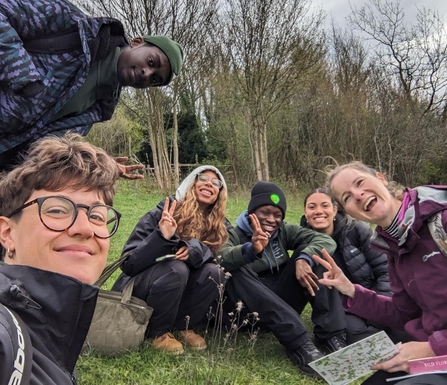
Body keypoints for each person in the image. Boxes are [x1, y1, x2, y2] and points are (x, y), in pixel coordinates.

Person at [0, 0, 184, 171]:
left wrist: (97, 165)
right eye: (151, 62)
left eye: (154, 79)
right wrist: (22, 73)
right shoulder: (73, 24)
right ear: (137, 42)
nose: (147, 73)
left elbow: (40, 152)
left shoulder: (99, 108)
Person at [0, 132, 121, 384]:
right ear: (8, 233)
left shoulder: (52, 331)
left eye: (97, 216)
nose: (85, 228)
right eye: (57, 210)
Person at [313, 161, 447, 385]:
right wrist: (351, 291)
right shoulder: (394, 247)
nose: (357, 194)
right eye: (346, 197)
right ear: (348, 212)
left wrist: (433, 347)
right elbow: (406, 313)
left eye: (360, 182)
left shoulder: (441, 220)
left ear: (381, 178)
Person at [218, 181, 347, 377]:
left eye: (277, 215)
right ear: (252, 212)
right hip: (248, 312)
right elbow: (220, 257)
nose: (271, 219)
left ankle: (330, 335)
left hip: (282, 304)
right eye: (265, 212)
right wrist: (251, 250)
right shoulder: (234, 234)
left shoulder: (283, 231)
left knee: (315, 256)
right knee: (233, 268)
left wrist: (304, 259)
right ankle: (300, 344)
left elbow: (325, 240)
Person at [113, 165, 228, 354]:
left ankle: (182, 325)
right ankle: (158, 332)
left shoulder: (218, 226)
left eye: (216, 183)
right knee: (177, 268)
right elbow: (129, 263)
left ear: (219, 193)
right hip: (141, 287)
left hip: (176, 293)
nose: (209, 184)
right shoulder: (165, 209)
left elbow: (216, 256)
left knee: (215, 273)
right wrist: (161, 237)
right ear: (192, 182)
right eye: (203, 178)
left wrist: (195, 249)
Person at [301, 187, 407, 344]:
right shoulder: (303, 243)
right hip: (342, 306)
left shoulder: (356, 229)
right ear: (305, 213)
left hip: (375, 296)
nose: (318, 211)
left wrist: (377, 306)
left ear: (335, 209)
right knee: (358, 336)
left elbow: (385, 270)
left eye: (324, 205)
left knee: (404, 330)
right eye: (311, 207)